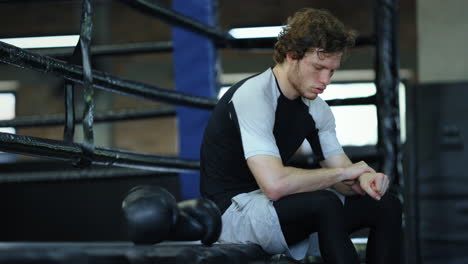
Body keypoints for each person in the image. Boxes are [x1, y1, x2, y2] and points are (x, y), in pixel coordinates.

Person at [200, 8, 402, 264]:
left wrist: (365, 179)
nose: (325, 79)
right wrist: (343, 174)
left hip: (275, 209)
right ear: (292, 55)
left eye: (332, 70)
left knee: (386, 204)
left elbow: (342, 173)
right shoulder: (254, 95)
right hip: (233, 215)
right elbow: (274, 185)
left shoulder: (317, 109)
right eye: (318, 67)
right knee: (325, 203)